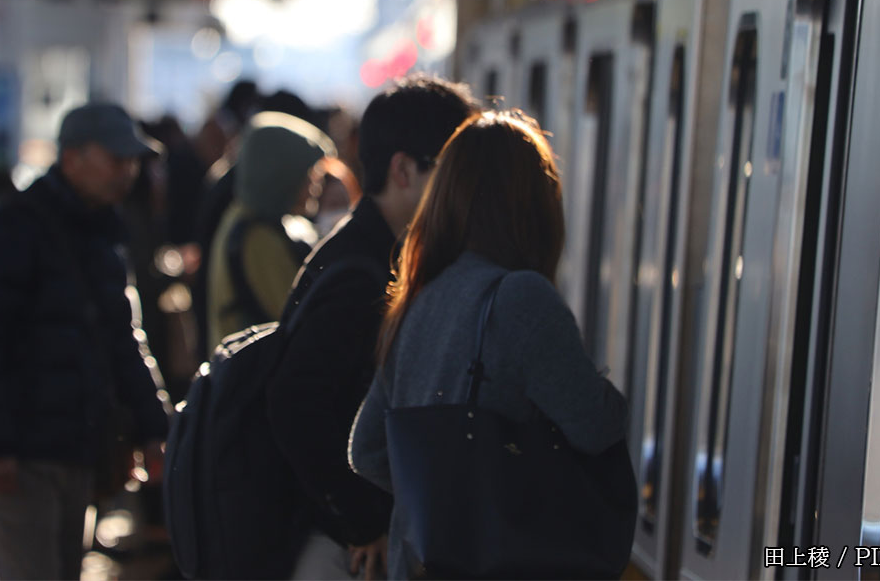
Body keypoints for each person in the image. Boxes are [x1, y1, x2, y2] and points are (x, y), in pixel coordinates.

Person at [349, 111, 629, 580]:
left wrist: (438, 498)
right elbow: (595, 426)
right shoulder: (521, 297)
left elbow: (367, 450)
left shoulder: (418, 296)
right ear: (535, 205)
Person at [0, 102, 172, 581]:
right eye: (116, 159)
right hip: (18, 452)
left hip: (74, 446)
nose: (128, 172)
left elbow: (123, 339)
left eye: (133, 161)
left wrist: (155, 427)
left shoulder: (102, 233)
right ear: (72, 158)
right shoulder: (16, 228)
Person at [267, 74, 478, 580]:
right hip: (336, 544)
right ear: (403, 170)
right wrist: (361, 521)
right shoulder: (361, 276)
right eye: (452, 171)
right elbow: (294, 404)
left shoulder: (360, 248)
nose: (465, 190)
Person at [205, 111, 334, 346]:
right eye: (309, 174)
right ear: (280, 174)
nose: (316, 185)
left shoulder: (244, 217)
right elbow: (299, 319)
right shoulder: (257, 238)